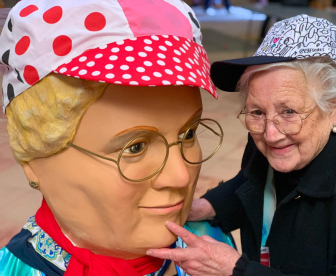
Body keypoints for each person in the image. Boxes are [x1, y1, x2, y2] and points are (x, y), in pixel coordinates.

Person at [147, 14, 336, 275]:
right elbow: (253, 182)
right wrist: (209, 206)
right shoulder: (273, 131)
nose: (270, 134)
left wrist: (235, 270)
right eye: (256, 112)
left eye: (289, 112)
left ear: (332, 106)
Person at [0, 0, 234, 275]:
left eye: (189, 133)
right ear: (34, 156)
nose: (180, 177)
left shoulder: (212, 248)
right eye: (135, 147)